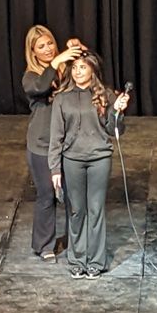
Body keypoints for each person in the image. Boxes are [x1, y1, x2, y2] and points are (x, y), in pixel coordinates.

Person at [48, 52, 130, 279]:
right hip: (72, 160)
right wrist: (55, 168)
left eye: (82, 67)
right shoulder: (62, 98)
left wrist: (118, 111)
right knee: (76, 211)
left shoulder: (104, 95)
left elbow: (116, 130)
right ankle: (77, 259)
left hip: (99, 158)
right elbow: (56, 136)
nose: (77, 72)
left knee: (95, 210)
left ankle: (95, 261)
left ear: (92, 70)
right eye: (74, 68)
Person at [22, 26, 84, 260]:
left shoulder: (65, 69)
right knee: (47, 194)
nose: (47, 49)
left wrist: (79, 50)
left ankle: (77, 240)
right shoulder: (31, 76)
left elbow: (90, 67)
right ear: (33, 52)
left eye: (50, 44)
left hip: (68, 142)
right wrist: (55, 62)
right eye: (41, 47)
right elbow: (40, 87)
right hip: (41, 144)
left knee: (72, 195)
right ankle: (44, 245)